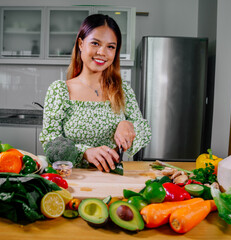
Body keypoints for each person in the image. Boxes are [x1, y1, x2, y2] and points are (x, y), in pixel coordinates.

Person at [39, 14, 151, 172]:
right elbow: (50, 142)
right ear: (80, 44)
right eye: (95, 43)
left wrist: (128, 125)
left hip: (111, 178)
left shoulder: (123, 90)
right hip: (71, 179)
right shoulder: (60, 90)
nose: (102, 52)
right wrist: (84, 152)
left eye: (110, 47)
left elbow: (144, 131)